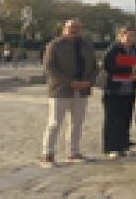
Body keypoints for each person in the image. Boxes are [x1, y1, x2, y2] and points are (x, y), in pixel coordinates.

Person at [40, 19, 98, 168]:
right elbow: (50, 67)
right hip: (61, 90)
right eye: (71, 27)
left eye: (77, 28)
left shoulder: (86, 45)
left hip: (82, 90)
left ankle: (74, 152)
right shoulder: (55, 45)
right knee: (54, 123)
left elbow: (94, 66)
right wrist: (69, 82)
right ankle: (47, 154)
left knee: (77, 122)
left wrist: (89, 81)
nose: (74, 30)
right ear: (64, 29)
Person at [101, 26, 136, 158]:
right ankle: (110, 147)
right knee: (112, 120)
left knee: (125, 119)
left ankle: (123, 145)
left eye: (133, 36)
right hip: (114, 90)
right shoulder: (114, 50)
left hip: (129, 90)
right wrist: (130, 67)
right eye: (128, 35)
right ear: (121, 36)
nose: (131, 38)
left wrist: (135, 72)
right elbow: (109, 65)